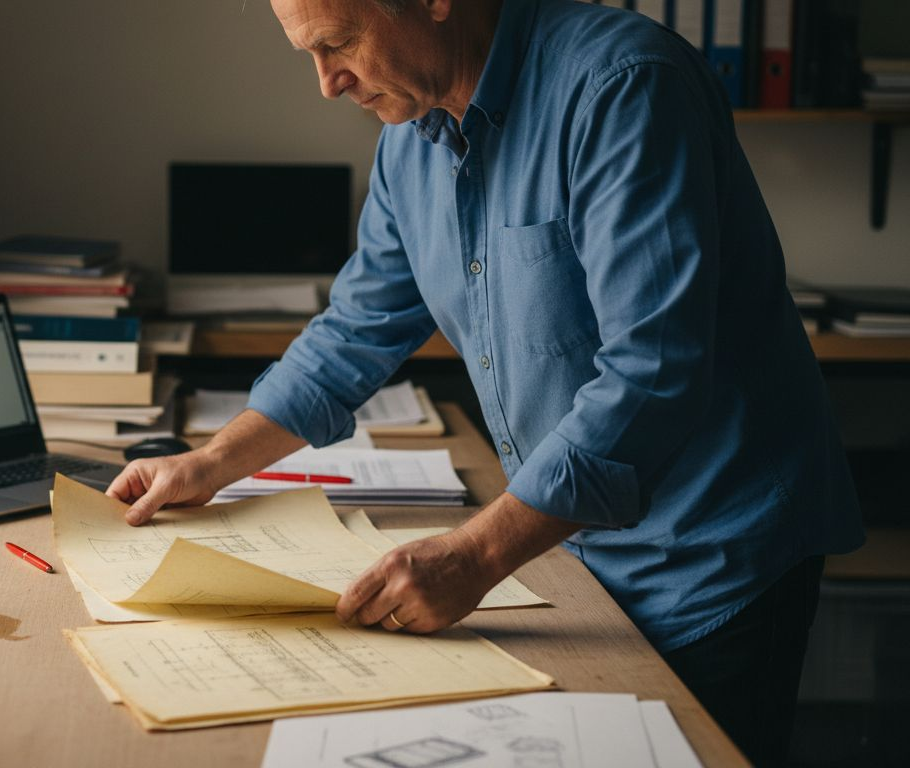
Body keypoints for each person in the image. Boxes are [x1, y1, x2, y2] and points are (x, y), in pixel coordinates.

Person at [107, 1, 864, 764]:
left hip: (712, 558)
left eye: (338, 45)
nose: (327, 84)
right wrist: (210, 462)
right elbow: (357, 327)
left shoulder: (625, 86)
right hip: (574, 553)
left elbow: (652, 372)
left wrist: (473, 557)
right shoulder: (410, 139)